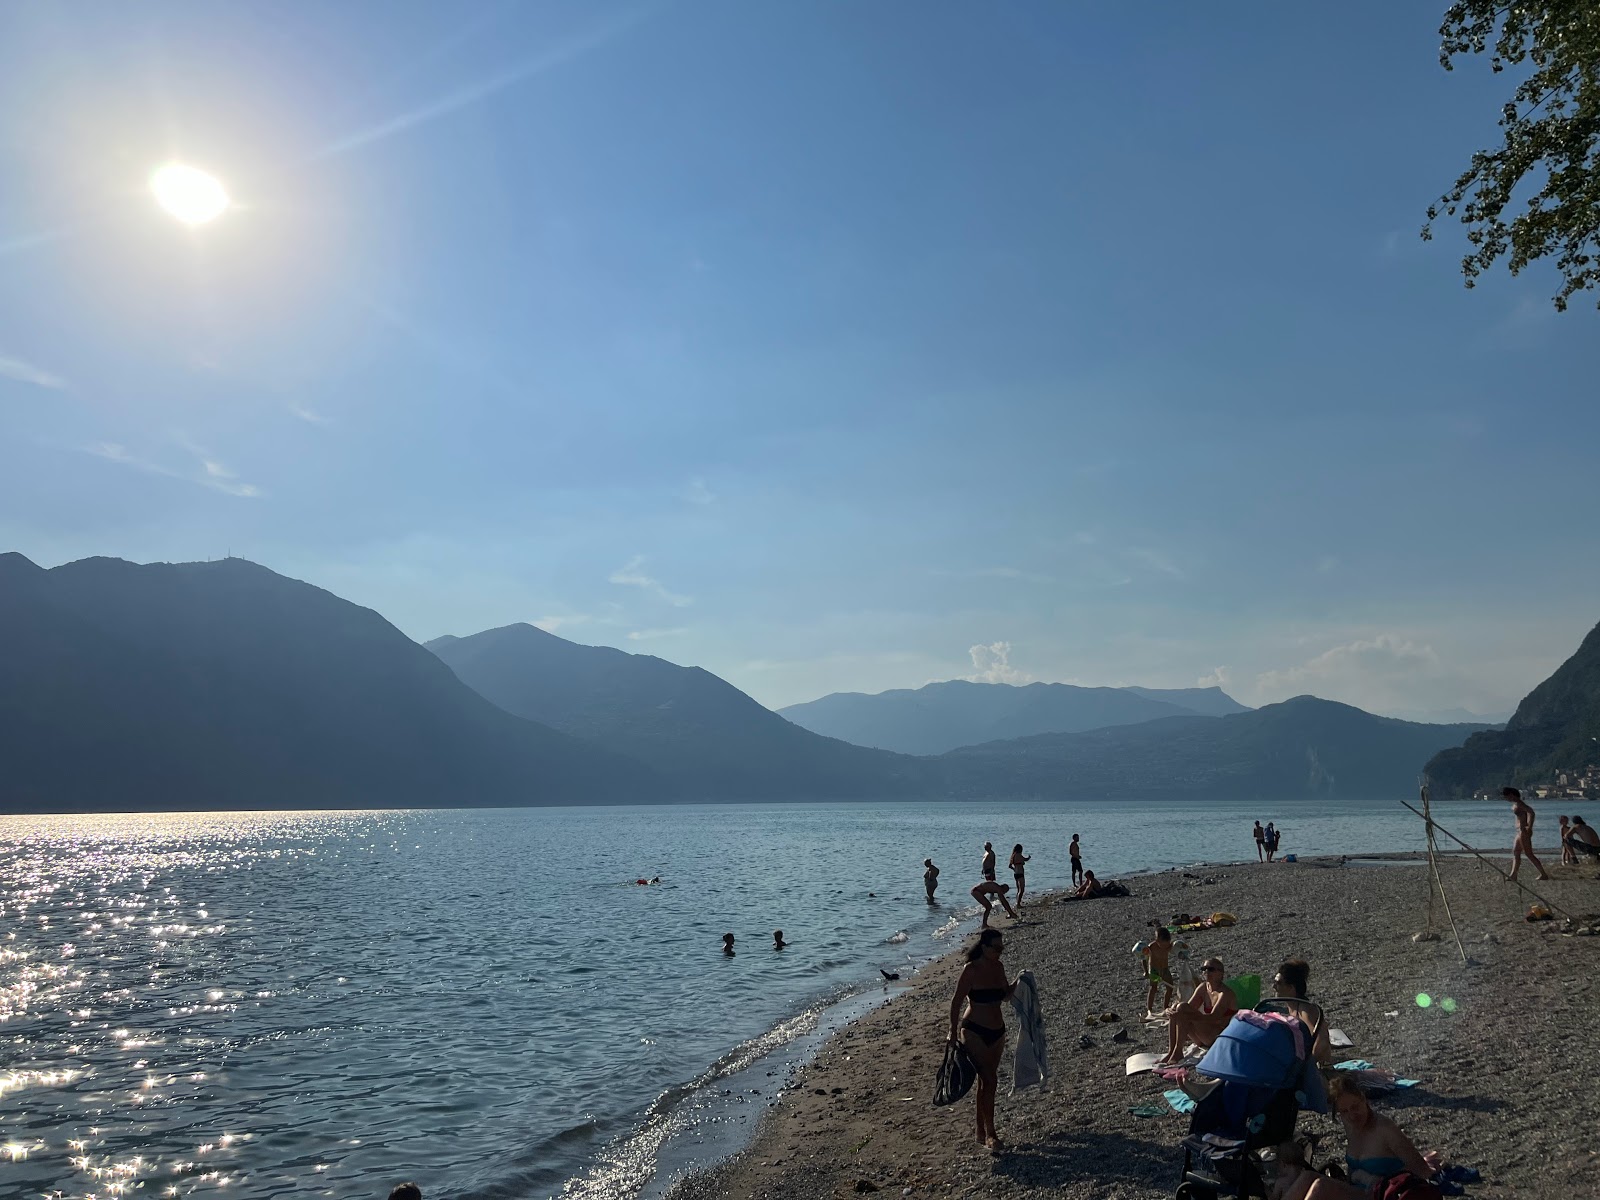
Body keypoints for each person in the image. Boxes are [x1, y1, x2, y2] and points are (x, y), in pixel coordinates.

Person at [1276, 1074, 1439, 1200]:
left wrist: (1377, 1180)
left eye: (1355, 1107)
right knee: (1306, 1176)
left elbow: (1421, 1170)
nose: (1352, 1115)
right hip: (1359, 1191)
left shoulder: (1384, 1129)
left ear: (1364, 1098)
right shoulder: (1351, 1125)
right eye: (1344, 1111)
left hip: (1381, 1193)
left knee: (1320, 1186)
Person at [947, 927, 1016, 1151]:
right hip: (973, 1030)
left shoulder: (998, 967)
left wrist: (1020, 981)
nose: (1000, 952)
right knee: (991, 1080)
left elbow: (1005, 996)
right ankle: (991, 1135)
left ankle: (979, 1130)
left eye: (1002, 947)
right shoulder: (971, 970)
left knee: (986, 1081)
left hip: (997, 1032)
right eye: (996, 948)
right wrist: (951, 1030)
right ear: (984, 947)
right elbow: (957, 1001)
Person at [1159, 957, 1237, 1064]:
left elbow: (1214, 1018)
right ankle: (1172, 1051)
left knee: (1181, 1011)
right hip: (1203, 1036)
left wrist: (1185, 1016)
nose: (1206, 972)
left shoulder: (1224, 993)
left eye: (1211, 969)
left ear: (1220, 973)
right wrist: (1170, 1010)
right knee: (1179, 1007)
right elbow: (1187, 1008)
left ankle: (1177, 1052)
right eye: (1204, 969)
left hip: (1218, 1036)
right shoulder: (1203, 987)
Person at [1270, 959, 1332, 1066]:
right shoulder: (1292, 1007)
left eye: (1278, 983)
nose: (1273, 986)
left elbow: (1321, 1040)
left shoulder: (1305, 1011)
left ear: (1291, 988)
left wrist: (1308, 1063)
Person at [1504, 786, 1551, 882]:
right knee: (1516, 852)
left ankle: (1543, 874)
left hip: (1523, 831)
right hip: (1519, 831)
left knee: (1528, 853)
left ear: (1511, 795)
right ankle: (1513, 875)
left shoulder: (1520, 804)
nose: (1506, 799)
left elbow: (1531, 812)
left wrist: (1529, 827)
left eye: (1506, 796)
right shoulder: (1516, 804)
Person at [1142, 926, 1176, 1016]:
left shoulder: (1169, 946)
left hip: (1165, 969)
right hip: (1154, 970)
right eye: (1163, 944)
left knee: (1170, 987)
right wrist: (1146, 971)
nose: (1165, 947)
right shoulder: (1151, 947)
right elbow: (1144, 958)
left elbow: (1177, 949)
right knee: (1153, 988)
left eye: (1167, 944)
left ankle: (1165, 1007)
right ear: (1157, 941)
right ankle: (1149, 1009)